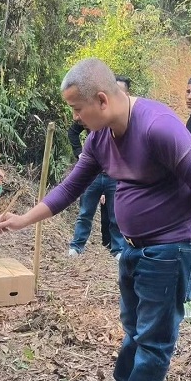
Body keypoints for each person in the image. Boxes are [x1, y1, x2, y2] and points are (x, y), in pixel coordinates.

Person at [0, 59, 191, 381]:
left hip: (169, 249)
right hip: (133, 248)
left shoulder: (157, 127)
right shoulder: (100, 138)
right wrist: (23, 219)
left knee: (155, 337)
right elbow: (70, 187)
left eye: (77, 109)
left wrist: (169, 217)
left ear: (101, 99)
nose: (76, 117)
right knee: (133, 327)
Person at [67, 77, 131, 258]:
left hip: (115, 176)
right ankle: (77, 246)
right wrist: (80, 153)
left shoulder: (131, 122)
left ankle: (117, 249)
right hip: (94, 175)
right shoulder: (95, 122)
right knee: (85, 211)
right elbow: (73, 131)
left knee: (115, 215)